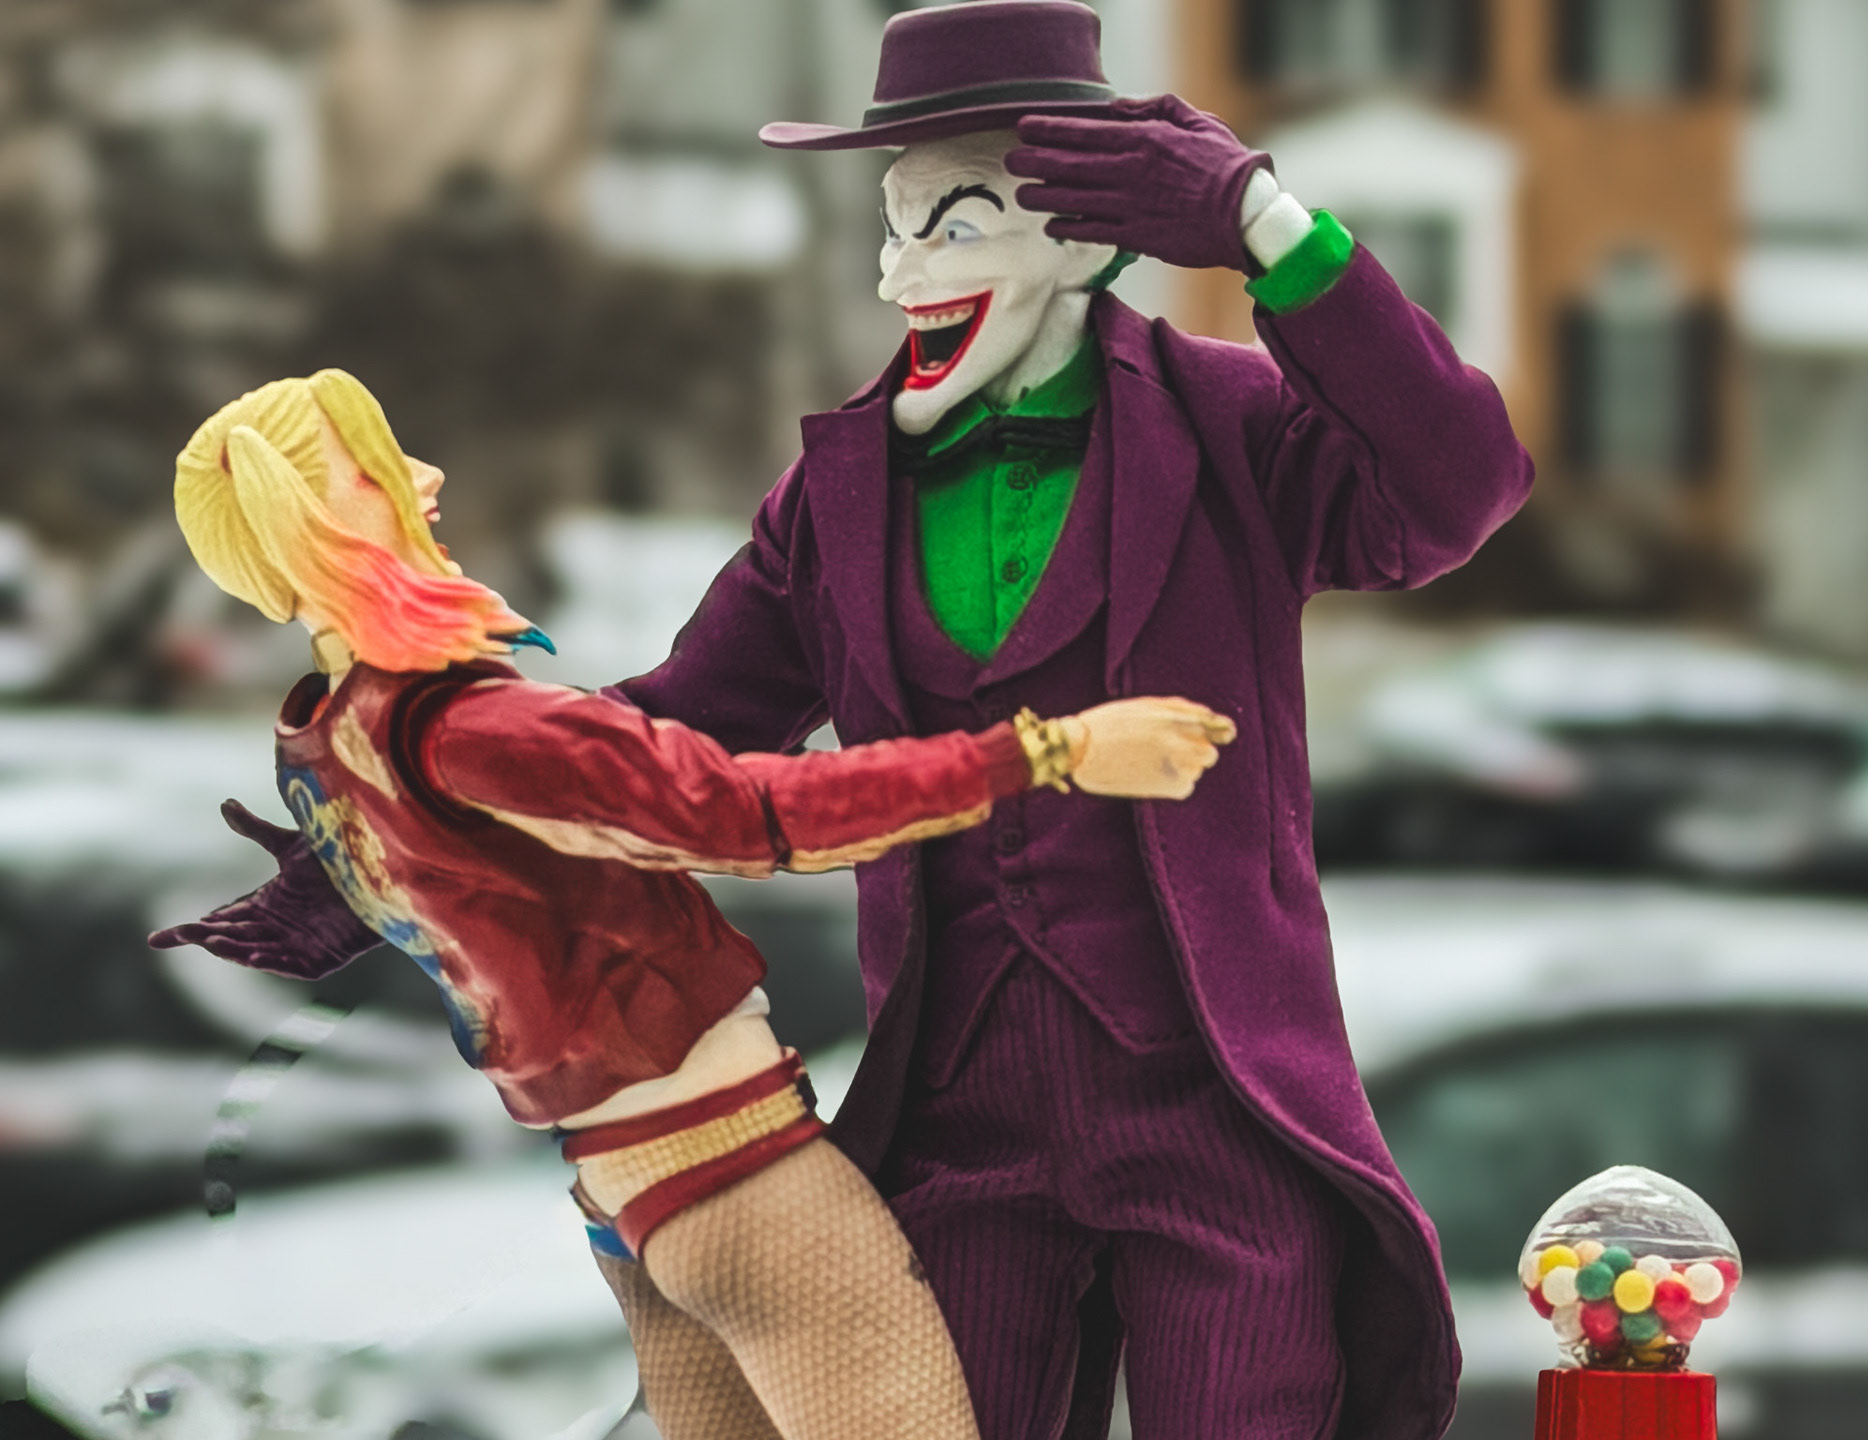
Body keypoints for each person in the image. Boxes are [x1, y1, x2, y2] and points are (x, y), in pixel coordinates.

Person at [165, 4, 1538, 1435]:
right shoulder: (836, 498)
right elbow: (681, 743)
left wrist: (1267, 226)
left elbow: (1461, 488)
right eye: (892, 229)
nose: (903, 273)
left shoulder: (1234, 428)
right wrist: (406, 796)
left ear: (1085, 238)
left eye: (955, 224)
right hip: (962, 1121)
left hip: (1216, 1109)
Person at [158, 367, 1233, 1440]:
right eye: (377, 468)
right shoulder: (467, 727)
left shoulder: (325, 738)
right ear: (309, 520)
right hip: (740, 1181)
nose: (426, 478)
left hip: (632, 1205)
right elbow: (748, 813)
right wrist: (1048, 751)